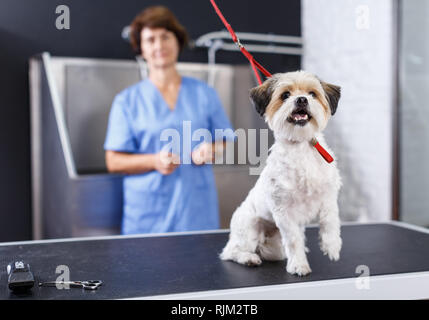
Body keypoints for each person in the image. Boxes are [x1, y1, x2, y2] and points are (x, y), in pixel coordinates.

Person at [104, 6, 235, 234]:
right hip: (147, 217)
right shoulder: (127, 101)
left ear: (178, 41)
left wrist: (211, 149)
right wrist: (155, 161)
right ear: (141, 48)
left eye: (165, 36)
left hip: (197, 212)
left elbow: (225, 139)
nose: (159, 46)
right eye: (150, 39)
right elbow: (114, 161)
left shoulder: (204, 93)